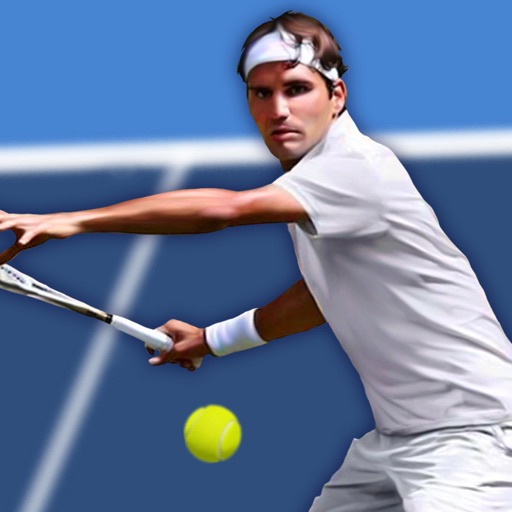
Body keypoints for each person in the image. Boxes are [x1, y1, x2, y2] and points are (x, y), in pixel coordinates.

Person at [1, 10, 512, 511]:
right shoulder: (313, 180)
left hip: (473, 436)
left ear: (336, 96)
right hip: (398, 438)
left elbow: (223, 210)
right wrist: (211, 340)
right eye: (261, 93)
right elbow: (323, 296)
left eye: (297, 89)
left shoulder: (354, 169)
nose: (278, 110)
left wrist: (73, 220)